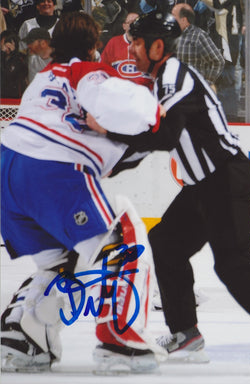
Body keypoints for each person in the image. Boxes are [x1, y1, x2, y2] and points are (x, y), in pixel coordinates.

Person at [90, 11, 250, 372]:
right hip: (206, 184)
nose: (130, 49)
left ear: (156, 46)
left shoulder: (174, 76)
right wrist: (101, 162)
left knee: (233, 263)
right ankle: (186, 334)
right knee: (166, 243)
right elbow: (150, 141)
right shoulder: (161, 80)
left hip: (225, 178)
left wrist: (106, 138)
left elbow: (163, 138)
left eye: (137, 43)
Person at [0, 11, 166, 373]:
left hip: (7, 169)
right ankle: (119, 340)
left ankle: (24, 333)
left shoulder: (42, 77)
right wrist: (154, 111)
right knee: (122, 238)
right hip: (51, 170)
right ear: (95, 45)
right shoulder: (86, 72)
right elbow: (127, 109)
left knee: (63, 261)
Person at [172, 2, 225, 87]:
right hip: (174, 86)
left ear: (183, 20)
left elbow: (218, 61)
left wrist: (205, 83)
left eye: (174, 16)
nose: (171, 18)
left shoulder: (198, 36)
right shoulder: (170, 35)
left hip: (193, 89)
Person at [100, 11, 153, 88]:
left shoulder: (150, 43)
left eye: (136, 23)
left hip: (143, 93)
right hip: (119, 93)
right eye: (131, 23)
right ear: (124, 26)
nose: (133, 26)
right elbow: (102, 69)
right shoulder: (114, 43)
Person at [0, 28, 28, 97]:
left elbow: (17, 75)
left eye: (9, 41)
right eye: (5, 41)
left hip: (15, 99)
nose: (7, 45)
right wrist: (2, 53)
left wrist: (14, 55)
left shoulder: (20, 59)